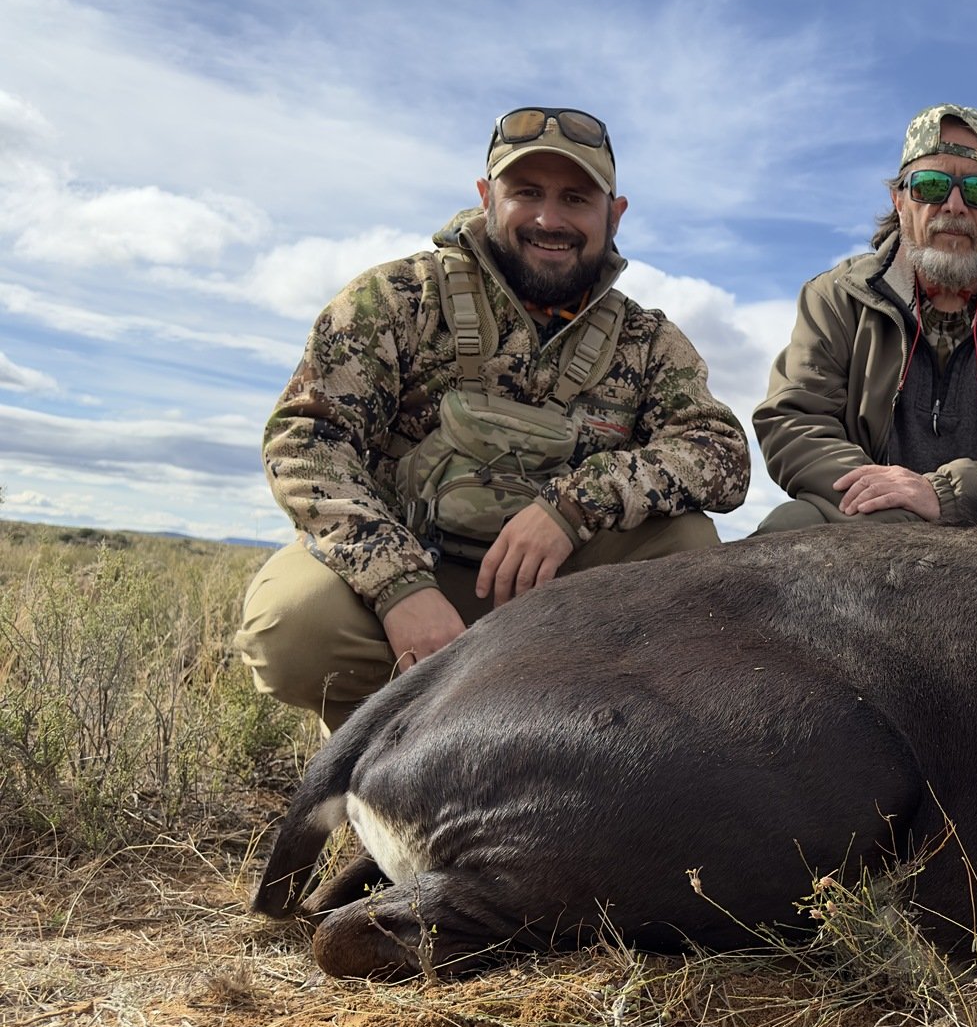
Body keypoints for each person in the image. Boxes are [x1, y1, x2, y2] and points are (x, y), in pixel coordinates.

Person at [236, 107, 750, 728]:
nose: (549, 219)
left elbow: (720, 454)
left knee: (689, 552)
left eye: (576, 198)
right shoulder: (398, 299)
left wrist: (573, 507)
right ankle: (384, 749)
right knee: (291, 632)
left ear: (613, 215)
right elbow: (307, 440)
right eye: (526, 193)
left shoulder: (648, 340)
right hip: (408, 580)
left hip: (558, 599)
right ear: (486, 198)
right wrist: (398, 585)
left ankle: (579, 744)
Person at [753, 103, 977, 529]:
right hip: (867, 523)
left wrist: (949, 495)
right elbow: (793, 420)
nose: (955, 206)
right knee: (788, 526)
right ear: (899, 200)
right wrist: (891, 506)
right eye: (931, 186)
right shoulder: (835, 297)